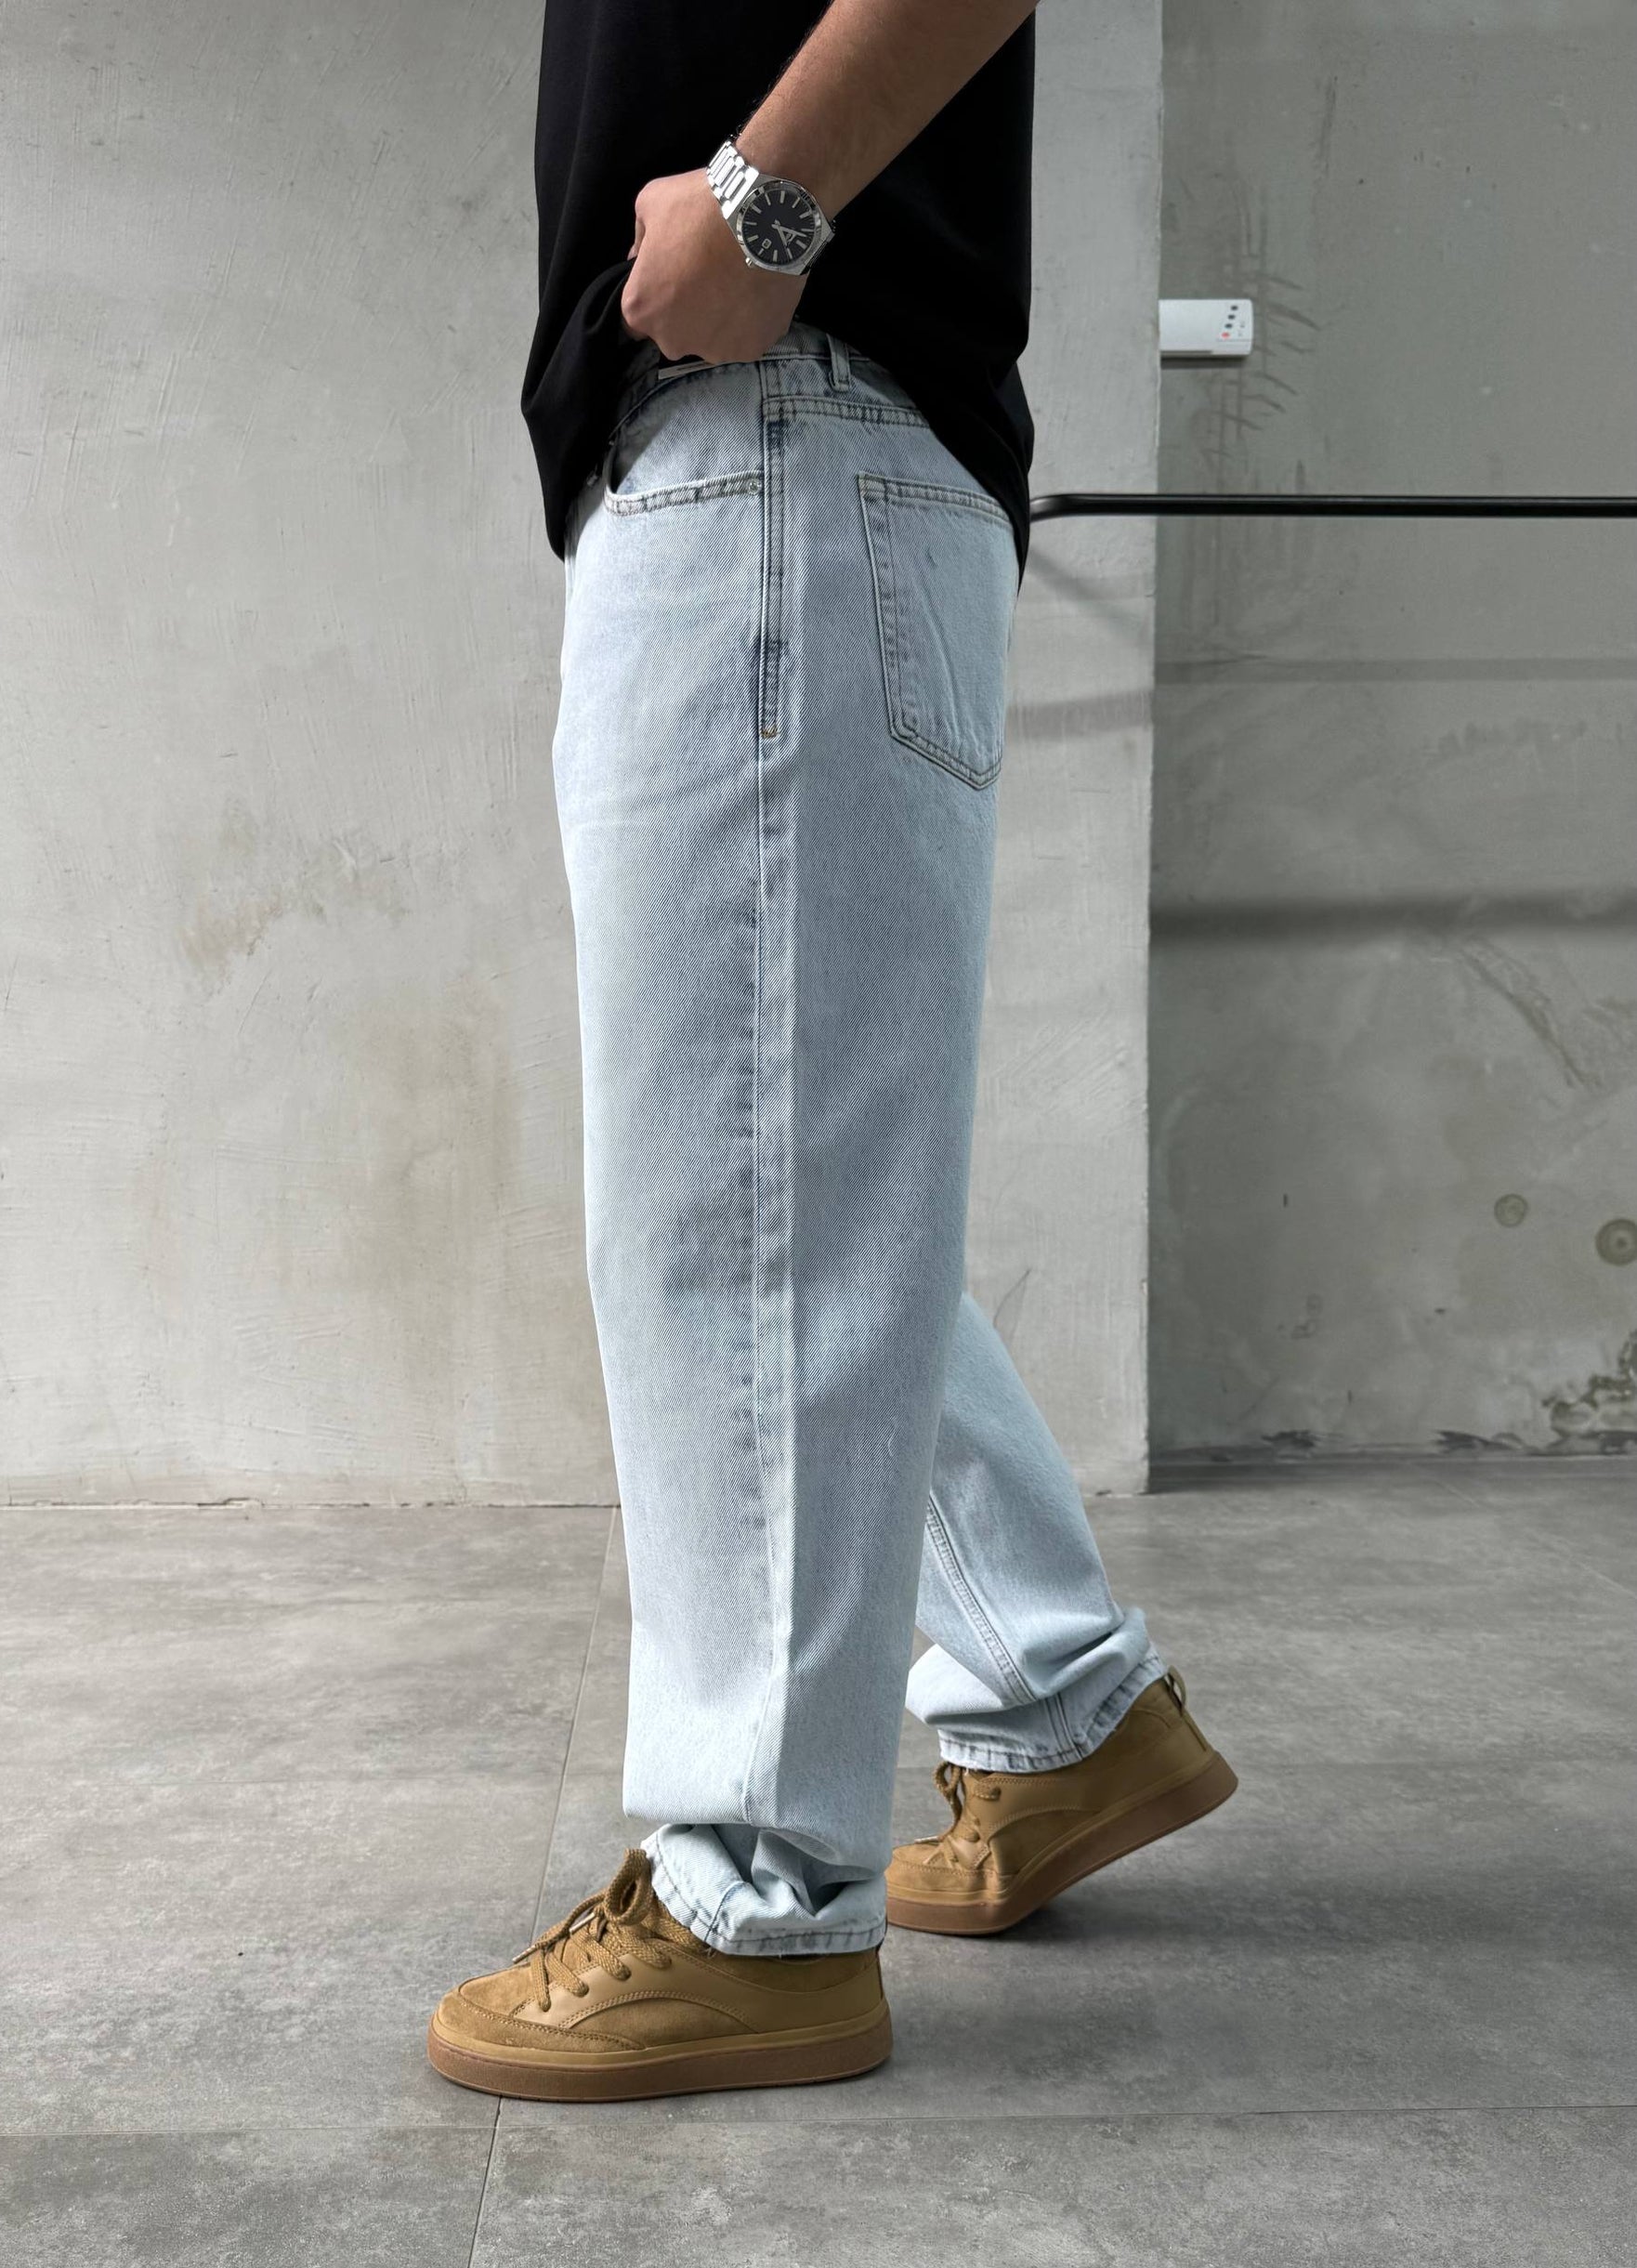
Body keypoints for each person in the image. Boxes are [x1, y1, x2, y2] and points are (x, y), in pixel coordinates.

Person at [427, 0, 1236, 2103]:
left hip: (781, 410)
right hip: (763, 438)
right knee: (781, 1173)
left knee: (739, 1207)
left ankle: (755, 1898)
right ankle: (1056, 1706)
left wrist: (765, 203)